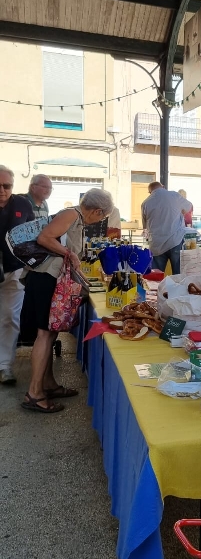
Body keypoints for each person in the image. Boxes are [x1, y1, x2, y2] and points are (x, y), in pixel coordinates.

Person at [19, 188, 113, 414]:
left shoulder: (76, 218)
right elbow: (45, 237)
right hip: (45, 278)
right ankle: (34, 393)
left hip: (47, 278)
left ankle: (48, 384)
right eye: (102, 217)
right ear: (97, 211)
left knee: (50, 333)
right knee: (45, 334)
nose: (100, 221)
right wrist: (68, 253)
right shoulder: (71, 215)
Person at [0, 165, 34, 384]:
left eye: (7, 186)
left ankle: (4, 366)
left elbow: (32, 233)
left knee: (10, 319)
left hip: (14, 270)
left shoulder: (23, 203)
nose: (2, 190)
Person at [141, 182, 192, 275]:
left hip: (157, 244)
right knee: (178, 277)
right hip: (175, 241)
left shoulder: (145, 203)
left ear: (150, 192)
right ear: (163, 187)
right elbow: (189, 206)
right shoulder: (174, 195)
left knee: (156, 278)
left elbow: (145, 227)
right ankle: (178, 289)